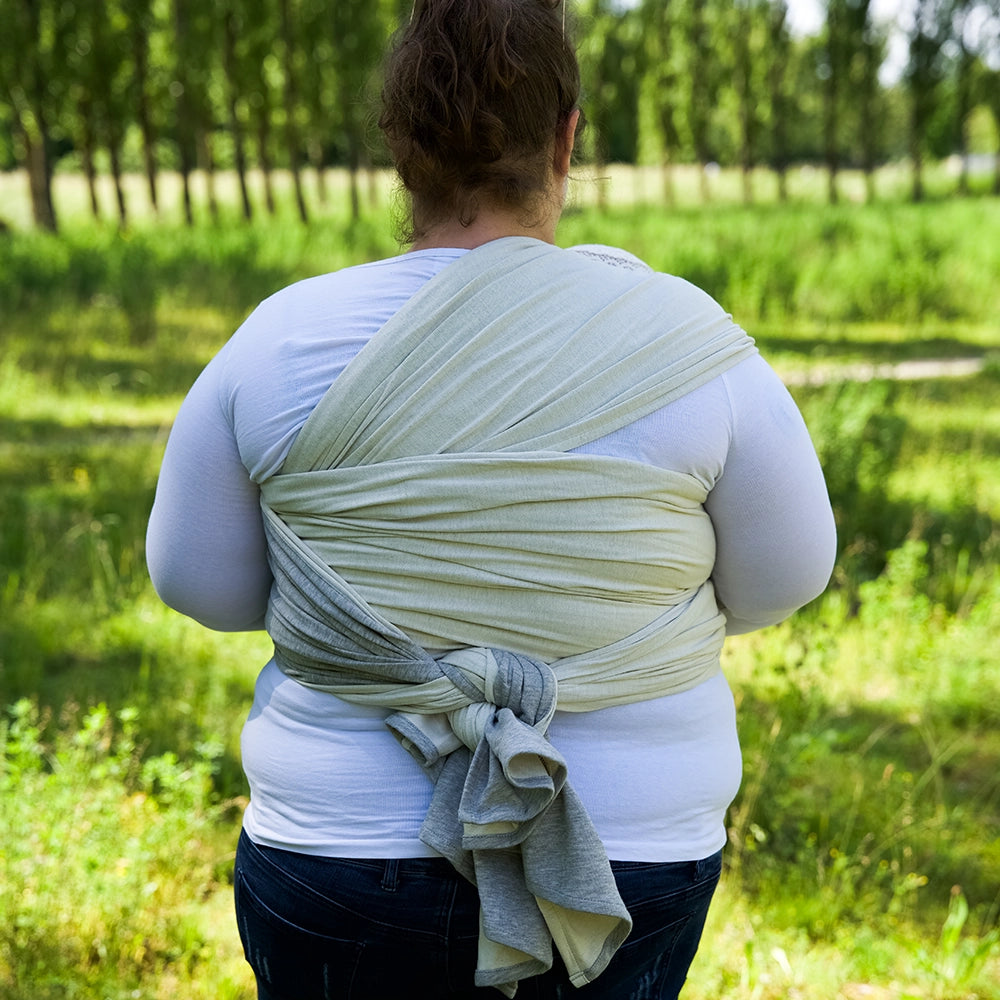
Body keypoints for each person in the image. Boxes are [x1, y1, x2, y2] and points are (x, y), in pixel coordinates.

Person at [146, 1, 837, 997]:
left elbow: (198, 586)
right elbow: (786, 577)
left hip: (340, 849)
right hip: (629, 849)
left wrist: (396, 605)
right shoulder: (683, 342)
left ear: (399, 146)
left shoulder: (280, 340)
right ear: (567, 137)